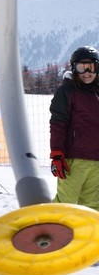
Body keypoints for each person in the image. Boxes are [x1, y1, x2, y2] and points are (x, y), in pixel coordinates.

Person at [50, 45, 99, 210]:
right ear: (74, 68)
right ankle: (52, 227)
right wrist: (57, 154)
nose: (87, 72)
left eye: (91, 67)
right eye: (81, 67)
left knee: (92, 207)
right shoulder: (67, 91)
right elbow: (58, 123)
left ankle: (91, 229)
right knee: (66, 203)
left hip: (97, 161)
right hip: (74, 160)